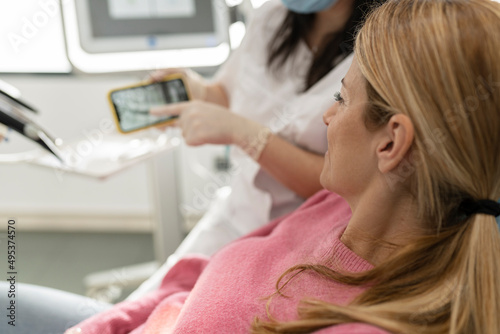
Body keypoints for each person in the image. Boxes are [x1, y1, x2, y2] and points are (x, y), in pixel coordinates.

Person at [60, 0, 499, 332]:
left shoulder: (336, 212)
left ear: (391, 143)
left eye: (341, 99)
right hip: (203, 264)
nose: (329, 116)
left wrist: (243, 132)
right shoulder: (331, 208)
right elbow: (196, 276)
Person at [128, 0, 379, 299]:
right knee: (148, 300)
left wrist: (245, 134)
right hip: (236, 213)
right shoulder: (271, 17)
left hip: (305, 233)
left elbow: (344, 182)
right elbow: (227, 93)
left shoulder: (380, 46)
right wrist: (196, 89)